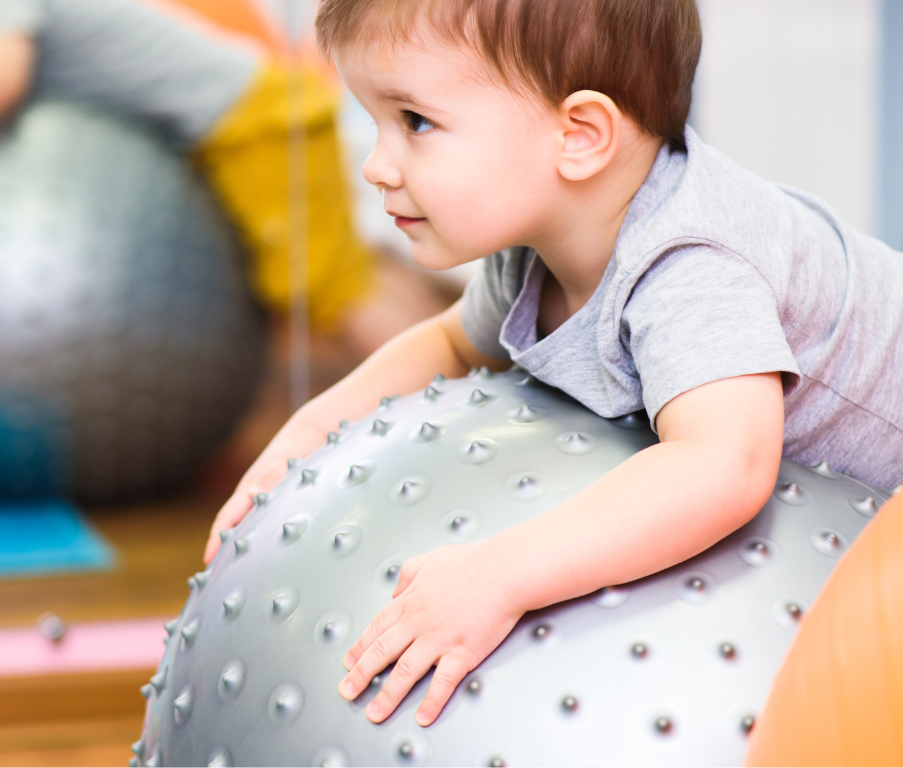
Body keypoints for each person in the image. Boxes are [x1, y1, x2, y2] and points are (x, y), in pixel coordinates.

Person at [204, 0, 903, 728]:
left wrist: (500, 574)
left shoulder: (689, 267)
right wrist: (309, 432)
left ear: (580, 136)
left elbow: (723, 465)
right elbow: (449, 344)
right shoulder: (540, 247)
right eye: (374, 120)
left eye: (415, 121)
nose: (376, 167)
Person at [0, 0, 446, 354]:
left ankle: (440, 406)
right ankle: (452, 382)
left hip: (254, 122)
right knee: (347, 275)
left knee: (330, 291)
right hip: (265, 105)